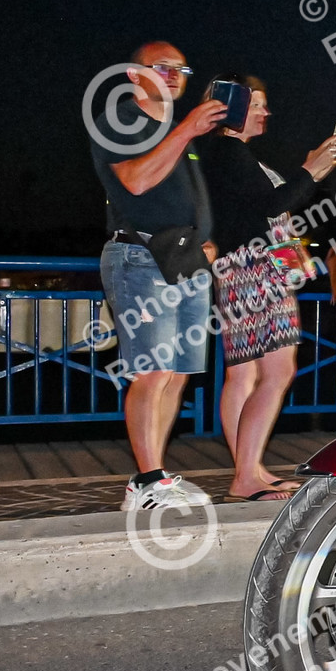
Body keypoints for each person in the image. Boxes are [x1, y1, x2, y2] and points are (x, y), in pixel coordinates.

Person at [90, 41, 226, 510]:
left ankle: (154, 477)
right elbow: (136, 181)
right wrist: (187, 129)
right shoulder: (122, 119)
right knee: (153, 371)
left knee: (177, 374)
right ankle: (148, 481)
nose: (173, 76)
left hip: (185, 261)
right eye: (162, 68)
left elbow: (181, 196)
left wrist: (206, 238)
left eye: (180, 70)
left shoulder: (174, 131)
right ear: (134, 75)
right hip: (139, 257)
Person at [196, 76, 336, 499]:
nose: (265, 112)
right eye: (257, 104)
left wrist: (311, 172)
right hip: (255, 267)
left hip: (242, 267)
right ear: (232, 106)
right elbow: (271, 206)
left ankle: (250, 469)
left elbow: (263, 210)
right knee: (277, 371)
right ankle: (246, 475)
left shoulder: (225, 154)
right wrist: (310, 171)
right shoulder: (230, 152)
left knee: (244, 373)